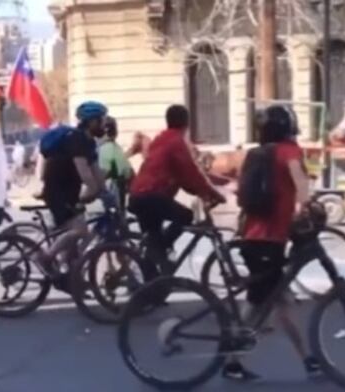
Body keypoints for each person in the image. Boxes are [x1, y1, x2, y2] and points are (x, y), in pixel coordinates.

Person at [223, 105, 319, 381]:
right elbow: (301, 187)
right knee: (271, 304)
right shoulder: (288, 151)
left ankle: (235, 358)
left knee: (268, 302)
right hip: (268, 240)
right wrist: (309, 205)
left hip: (254, 238)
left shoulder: (257, 153)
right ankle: (233, 360)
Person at [129, 105, 225, 283]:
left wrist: (201, 192)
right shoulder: (176, 142)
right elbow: (191, 173)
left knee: (154, 239)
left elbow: (182, 177)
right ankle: (158, 252)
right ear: (187, 122)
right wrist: (212, 194)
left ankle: (151, 290)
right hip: (151, 195)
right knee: (186, 216)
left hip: (139, 195)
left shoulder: (161, 139)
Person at [36, 101, 109, 292]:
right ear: (91, 121)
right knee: (79, 231)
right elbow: (85, 173)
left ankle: (70, 279)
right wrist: (93, 191)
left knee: (75, 242)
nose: (104, 125)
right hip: (57, 191)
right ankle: (45, 257)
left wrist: (105, 191)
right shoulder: (76, 140)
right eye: (101, 120)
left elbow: (96, 171)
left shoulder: (88, 142)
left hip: (69, 191)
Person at [97, 116, 133, 209]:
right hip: (114, 191)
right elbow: (126, 171)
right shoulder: (113, 147)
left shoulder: (105, 147)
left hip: (110, 191)